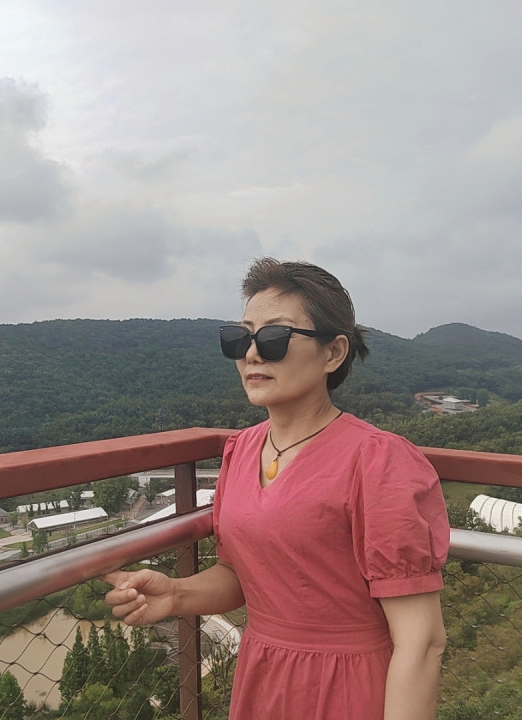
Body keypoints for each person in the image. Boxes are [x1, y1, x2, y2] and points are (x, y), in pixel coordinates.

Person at [104, 258, 449, 720]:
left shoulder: (377, 460)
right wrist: (175, 595)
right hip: (263, 676)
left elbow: (422, 641)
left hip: (348, 686)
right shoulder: (241, 450)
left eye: (274, 337)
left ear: (333, 353)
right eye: (240, 337)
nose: (251, 354)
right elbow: (243, 576)